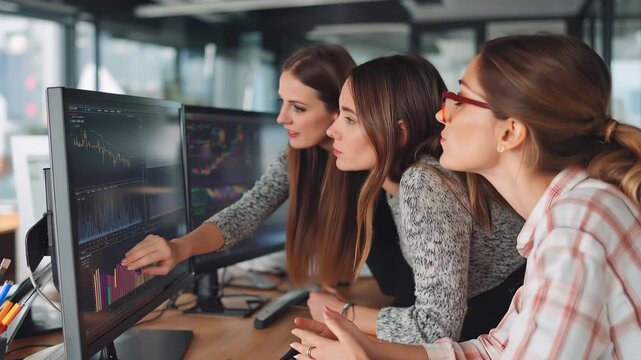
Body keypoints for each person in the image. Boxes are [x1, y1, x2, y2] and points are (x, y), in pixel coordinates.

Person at [290, 34, 641, 359]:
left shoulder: (574, 229)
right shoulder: (565, 217)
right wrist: (369, 351)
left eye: (461, 101)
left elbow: (440, 326)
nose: (442, 115)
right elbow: (493, 351)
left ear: (510, 131)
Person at [121, 44, 416, 305]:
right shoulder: (299, 156)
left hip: (427, 319)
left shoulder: (386, 163)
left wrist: (349, 315)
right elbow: (247, 210)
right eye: (282, 102)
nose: (281, 118)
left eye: (298, 108)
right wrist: (179, 247)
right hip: (401, 307)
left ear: (338, 110)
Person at [306, 54, 525, 346]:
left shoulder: (423, 181)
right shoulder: (404, 178)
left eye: (349, 119)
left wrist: (341, 313)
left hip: (503, 323)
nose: (332, 131)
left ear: (399, 133)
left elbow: (435, 329)